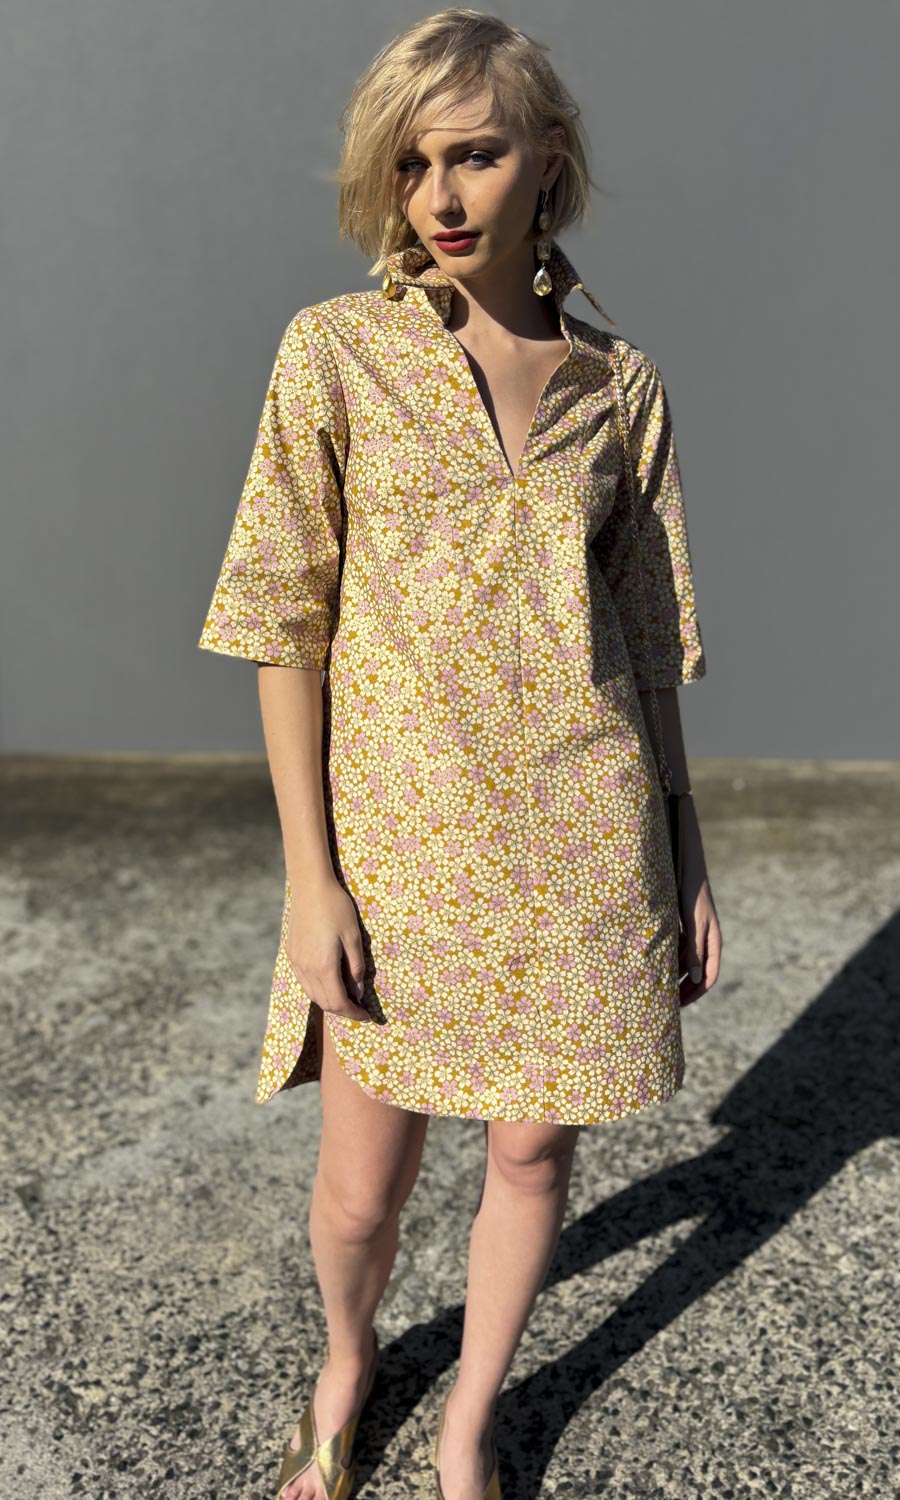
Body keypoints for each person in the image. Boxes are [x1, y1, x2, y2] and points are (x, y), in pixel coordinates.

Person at [196, 9, 723, 1499]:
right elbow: (284, 629)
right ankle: (346, 1363)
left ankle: (468, 1426)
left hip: (582, 833)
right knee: (362, 1192)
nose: (439, 195)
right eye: (412, 162)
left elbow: (649, 639)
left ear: (546, 159)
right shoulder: (335, 356)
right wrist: (311, 880)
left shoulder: (622, 388)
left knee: (532, 1159)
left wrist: (685, 845)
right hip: (399, 849)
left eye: (475, 155)